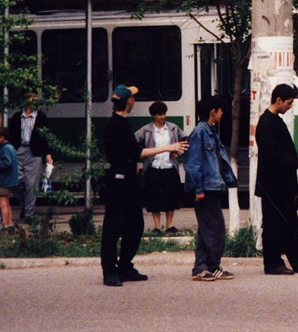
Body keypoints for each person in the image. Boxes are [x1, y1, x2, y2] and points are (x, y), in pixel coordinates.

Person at [101, 84, 188, 287]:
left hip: (129, 180)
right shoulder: (115, 125)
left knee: (135, 225)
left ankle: (124, 266)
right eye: (133, 98)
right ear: (128, 102)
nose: (134, 101)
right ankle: (109, 270)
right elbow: (137, 152)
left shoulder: (123, 123)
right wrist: (168, 147)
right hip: (117, 181)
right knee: (113, 227)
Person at [255, 83, 298, 276]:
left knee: (289, 224)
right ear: (278, 100)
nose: (290, 106)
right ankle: (273, 263)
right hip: (273, 185)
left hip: (281, 184)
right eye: (289, 102)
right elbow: (277, 157)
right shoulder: (267, 123)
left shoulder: (274, 120)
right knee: (274, 225)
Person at [184, 97, 237, 281]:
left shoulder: (211, 132)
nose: (223, 114)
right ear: (213, 111)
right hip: (205, 188)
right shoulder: (200, 132)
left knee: (207, 228)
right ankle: (207, 266)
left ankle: (206, 266)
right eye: (221, 110)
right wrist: (198, 189)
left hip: (213, 186)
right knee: (215, 228)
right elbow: (193, 163)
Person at [135, 101, 185, 234]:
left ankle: (169, 225)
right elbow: (134, 143)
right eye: (159, 114)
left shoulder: (173, 128)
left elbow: (185, 141)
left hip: (169, 166)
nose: (162, 117)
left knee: (171, 195)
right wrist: (142, 155)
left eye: (164, 114)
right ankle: (157, 226)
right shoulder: (146, 130)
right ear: (153, 115)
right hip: (153, 166)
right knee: (154, 196)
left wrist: (178, 152)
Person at [7, 93, 52, 220]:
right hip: (18, 149)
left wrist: (48, 153)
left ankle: (28, 214)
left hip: (34, 152)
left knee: (32, 184)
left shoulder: (41, 117)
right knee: (14, 181)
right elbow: (11, 135)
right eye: (32, 101)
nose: (35, 103)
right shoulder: (17, 117)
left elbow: (46, 135)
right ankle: (26, 206)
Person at [0, 126, 18, 229]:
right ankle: (9, 223)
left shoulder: (5, 148)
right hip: (11, 180)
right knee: (7, 203)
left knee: (3, 203)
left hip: (4, 180)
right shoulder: (11, 147)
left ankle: (5, 224)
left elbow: (6, 163)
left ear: (2, 137)